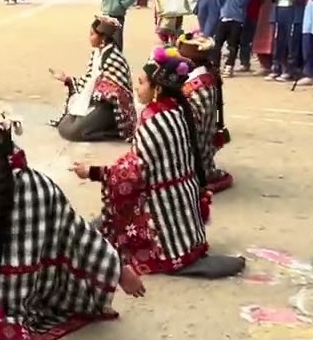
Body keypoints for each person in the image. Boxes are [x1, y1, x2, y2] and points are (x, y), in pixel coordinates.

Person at [0, 106, 143, 340]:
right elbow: (80, 235)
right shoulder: (42, 186)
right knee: (60, 235)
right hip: (24, 298)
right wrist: (118, 270)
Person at [72, 47, 245, 279]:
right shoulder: (176, 110)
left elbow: (133, 172)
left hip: (163, 213)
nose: (137, 87)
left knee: (104, 233)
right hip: (182, 206)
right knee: (100, 225)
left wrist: (91, 172)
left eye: (142, 82)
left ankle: (172, 257)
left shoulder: (154, 120)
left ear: (157, 89)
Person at [51, 16, 136, 142]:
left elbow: (121, 93)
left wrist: (103, 91)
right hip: (95, 100)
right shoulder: (96, 54)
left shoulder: (114, 58)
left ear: (103, 38)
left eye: (92, 34)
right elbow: (89, 80)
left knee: (72, 133)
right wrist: (68, 79)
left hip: (110, 108)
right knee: (64, 126)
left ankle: (112, 130)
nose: (89, 38)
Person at [175, 34, 234, 194]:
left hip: (195, 156)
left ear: (189, 60)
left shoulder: (200, 87)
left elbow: (186, 129)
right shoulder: (202, 77)